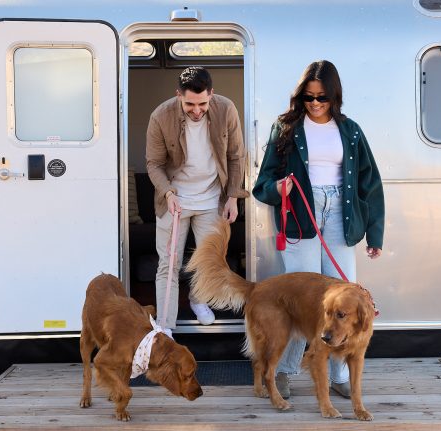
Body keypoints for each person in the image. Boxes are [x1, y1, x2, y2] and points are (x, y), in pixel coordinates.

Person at [252, 60, 385, 399]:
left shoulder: (351, 129)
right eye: (308, 97)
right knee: (302, 300)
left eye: (322, 98)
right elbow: (262, 183)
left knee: (344, 300)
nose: (314, 104)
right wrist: (278, 188)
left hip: (342, 212)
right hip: (301, 214)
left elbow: (370, 184)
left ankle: (339, 374)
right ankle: (283, 371)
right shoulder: (285, 128)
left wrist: (375, 234)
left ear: (334, 97)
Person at [146, 66, 247, 329]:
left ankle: (197, 299)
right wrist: (167, 192)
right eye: (190, 103)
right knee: (169, 264)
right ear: (178, 95)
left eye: (203, 103)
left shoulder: (226, 109)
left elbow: (236, 157)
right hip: (175, 199)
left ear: (211, 94)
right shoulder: (161, 115)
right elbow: (153, 164)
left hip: (211, 198)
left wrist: (233, 197)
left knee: (209, 261)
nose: (197, 110)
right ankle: (165, 326)